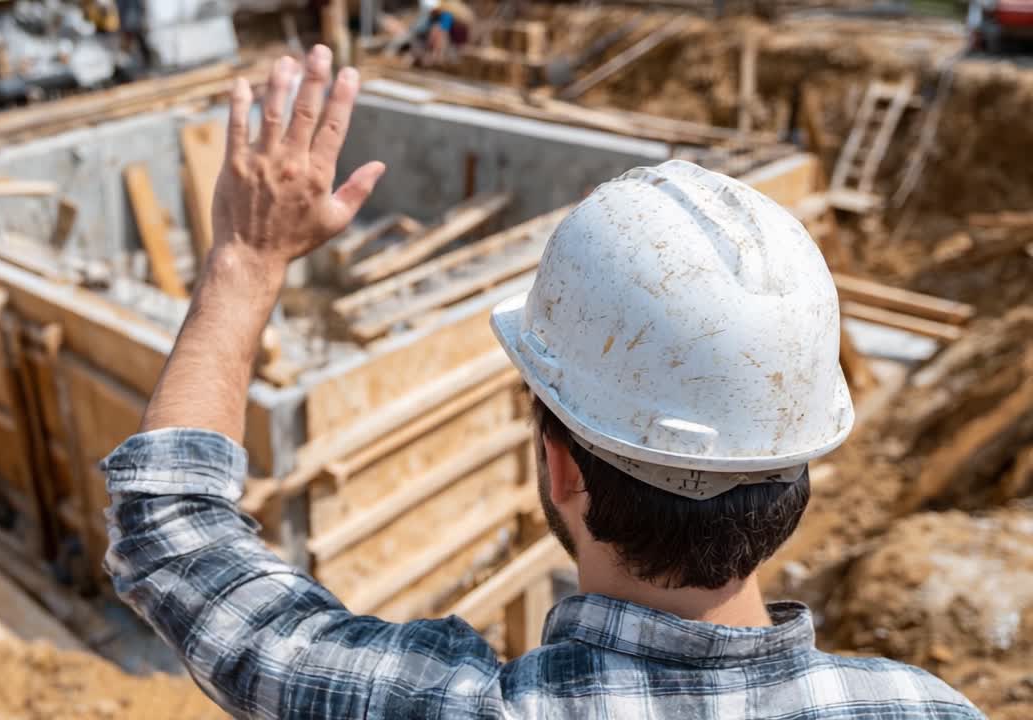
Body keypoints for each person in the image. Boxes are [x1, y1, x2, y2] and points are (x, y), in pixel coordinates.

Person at [103, 46, 983, 718]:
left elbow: (171, 530)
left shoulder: (433, 705)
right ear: (793, 473)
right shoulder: (926, 708)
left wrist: (247, 259)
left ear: (563, 472)